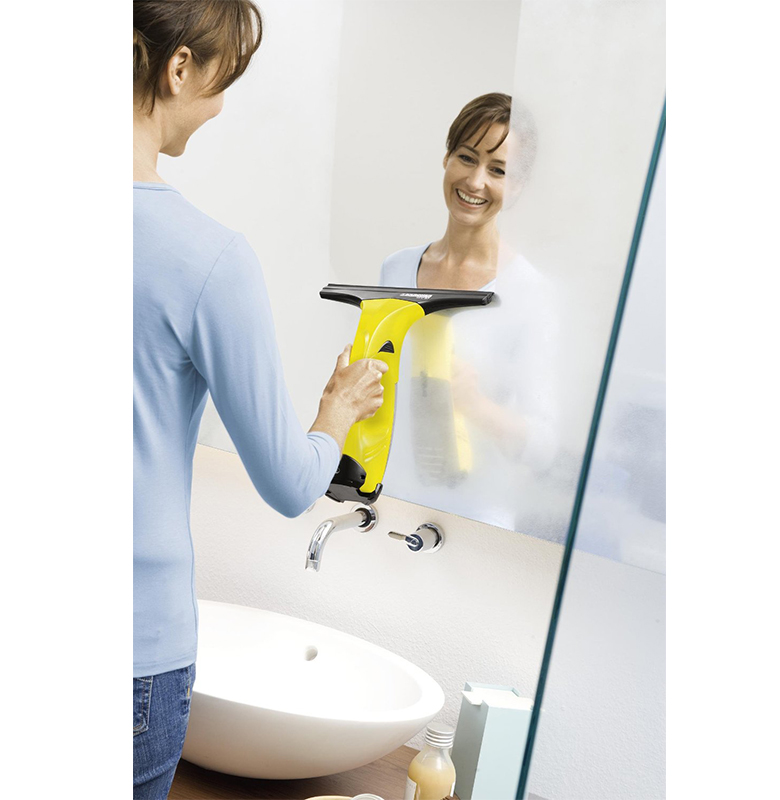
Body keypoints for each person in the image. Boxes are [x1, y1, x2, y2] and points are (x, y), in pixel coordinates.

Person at [133, 2, 387, 797]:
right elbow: (288, 483)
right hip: (131, 650)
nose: (219, 107)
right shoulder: (208, 259)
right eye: (221, 81)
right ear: (178, 68)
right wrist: (336, 411)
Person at [379, 93, 561, 534]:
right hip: (393, 506)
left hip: (476, 525)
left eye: (498, 170)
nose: (476, 181)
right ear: (446, 158)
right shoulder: (396, 270)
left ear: (517, 186)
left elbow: (544, 446)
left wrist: (476, 406)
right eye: (467, 157)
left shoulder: (530, 293)